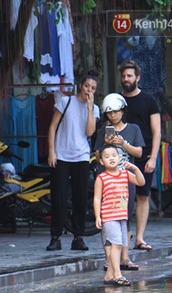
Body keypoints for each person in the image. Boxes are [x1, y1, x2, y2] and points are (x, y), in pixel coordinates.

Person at [46, 71, 100, 251]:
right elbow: (52, 127)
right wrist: (51, 152)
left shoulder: (95, 109)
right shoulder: (65, 102)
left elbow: (90, 133)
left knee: (80, 198)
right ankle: (55, 236)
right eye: (87, 86)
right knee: (59, 197)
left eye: (93, 88)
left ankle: (78, 236)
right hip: (61, 155)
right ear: (80, 85)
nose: (89, 90)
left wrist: (91, 108)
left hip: (82, 156)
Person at [94, 93, 144, 271]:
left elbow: (138, 153)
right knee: (108, 220)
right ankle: (109, 260)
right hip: (107, 181)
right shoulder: (103, 131)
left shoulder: (133, 129)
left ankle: (124, 258)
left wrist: (123, 144)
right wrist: (105, 145)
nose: (112, 115)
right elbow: (97, 156)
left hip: (124, 181)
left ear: (123, 110)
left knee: (125, 219)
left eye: (115, 111)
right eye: (109, 113)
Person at [119, 60, 162, 251]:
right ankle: (124, 236)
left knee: (143, 196)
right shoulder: (116, 100)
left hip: (144, 156)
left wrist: (153, 157)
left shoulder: (149, 100)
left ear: (137, 78)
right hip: (120, 156)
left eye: (129, 76)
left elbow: (157, 132)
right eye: (123, 76)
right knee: (123, 197)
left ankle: (139, 238)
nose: (126, 79)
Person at [94, 144, 145, 286]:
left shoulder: (125, 174)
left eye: (114, 155)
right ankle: (118, 275)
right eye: (107, 156)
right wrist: (98, 216)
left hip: (122, 216)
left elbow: (141, 182)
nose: (111, 158)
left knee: (120, 245)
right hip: (109, 217)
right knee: (116, 245)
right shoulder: (101, 178)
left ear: (120, 158)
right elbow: (97, 198)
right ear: (101, 161)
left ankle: (109, 275)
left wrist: (134, 168)